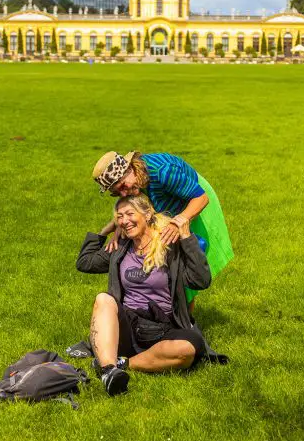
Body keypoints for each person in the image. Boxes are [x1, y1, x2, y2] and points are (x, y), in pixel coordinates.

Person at [76, 195, 211, 396]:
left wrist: (186, 237)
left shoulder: (169, 244)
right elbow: (85, 263)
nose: (124, 221)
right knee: (103, 299)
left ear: (148, 214)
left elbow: (200, 280)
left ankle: (123, 364)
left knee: (189, 348)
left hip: (164, 327)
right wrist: (107, 230)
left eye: (130, 214)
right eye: (119, 216)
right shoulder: (120, 246)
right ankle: (107, 372)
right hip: (128, 326)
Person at [91, 151, 233, 305]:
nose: (124, 193)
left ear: (130, 168)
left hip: (194, 199)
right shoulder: (135, 181)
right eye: (117, 192)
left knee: (186, 259)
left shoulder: (163, 171)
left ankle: (185, 320)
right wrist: (119, 225)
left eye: (123, 186)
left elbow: (201, 197)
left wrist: (178, 221)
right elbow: (134, 203)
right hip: (166, 201)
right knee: (167, 261)